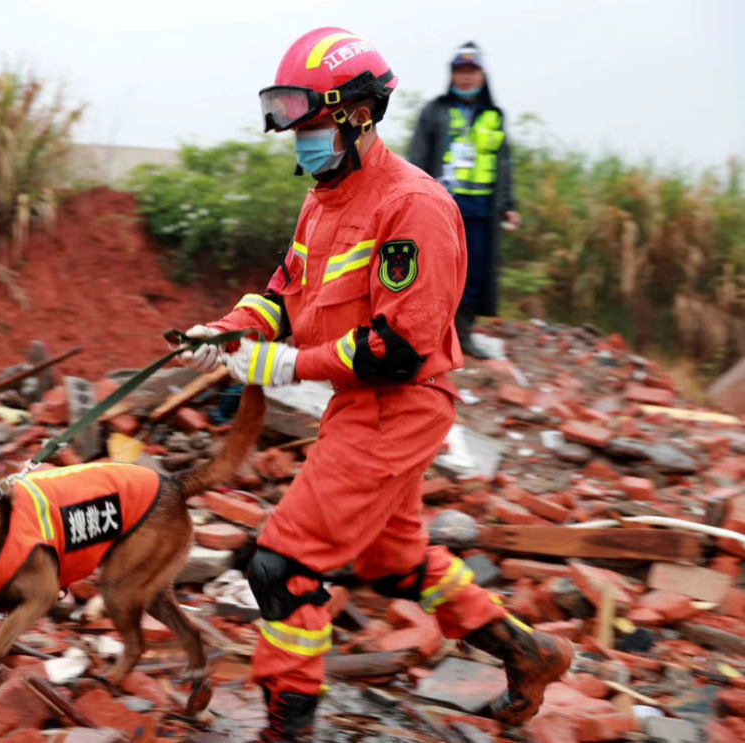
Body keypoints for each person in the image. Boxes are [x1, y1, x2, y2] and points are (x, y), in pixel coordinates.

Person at [180, 28, 570, 741]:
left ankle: (286, 723)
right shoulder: (323, 199)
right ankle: (529, 651)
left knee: (283, 566)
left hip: (398, 404)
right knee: (394, 564)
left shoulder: (411, 207)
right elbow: (284, 292)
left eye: (314, 124)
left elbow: (399, 346)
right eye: (296, 126)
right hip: (361, 402)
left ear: (359, 114)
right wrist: (228, 330)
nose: (302, 139)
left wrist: (283, 365)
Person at [407, 41, 518, 359]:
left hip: (483, 209)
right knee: (435, 270)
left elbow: (505, 163)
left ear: (482, 75)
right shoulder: (434, 111)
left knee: (474, 273)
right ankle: (427, 333)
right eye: (460, 71)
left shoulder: (494, 115)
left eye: (471, 71)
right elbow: (417, 156)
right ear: (452, 75)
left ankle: (463, 334)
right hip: (443, 207)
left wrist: (509, 205)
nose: (465, 77)